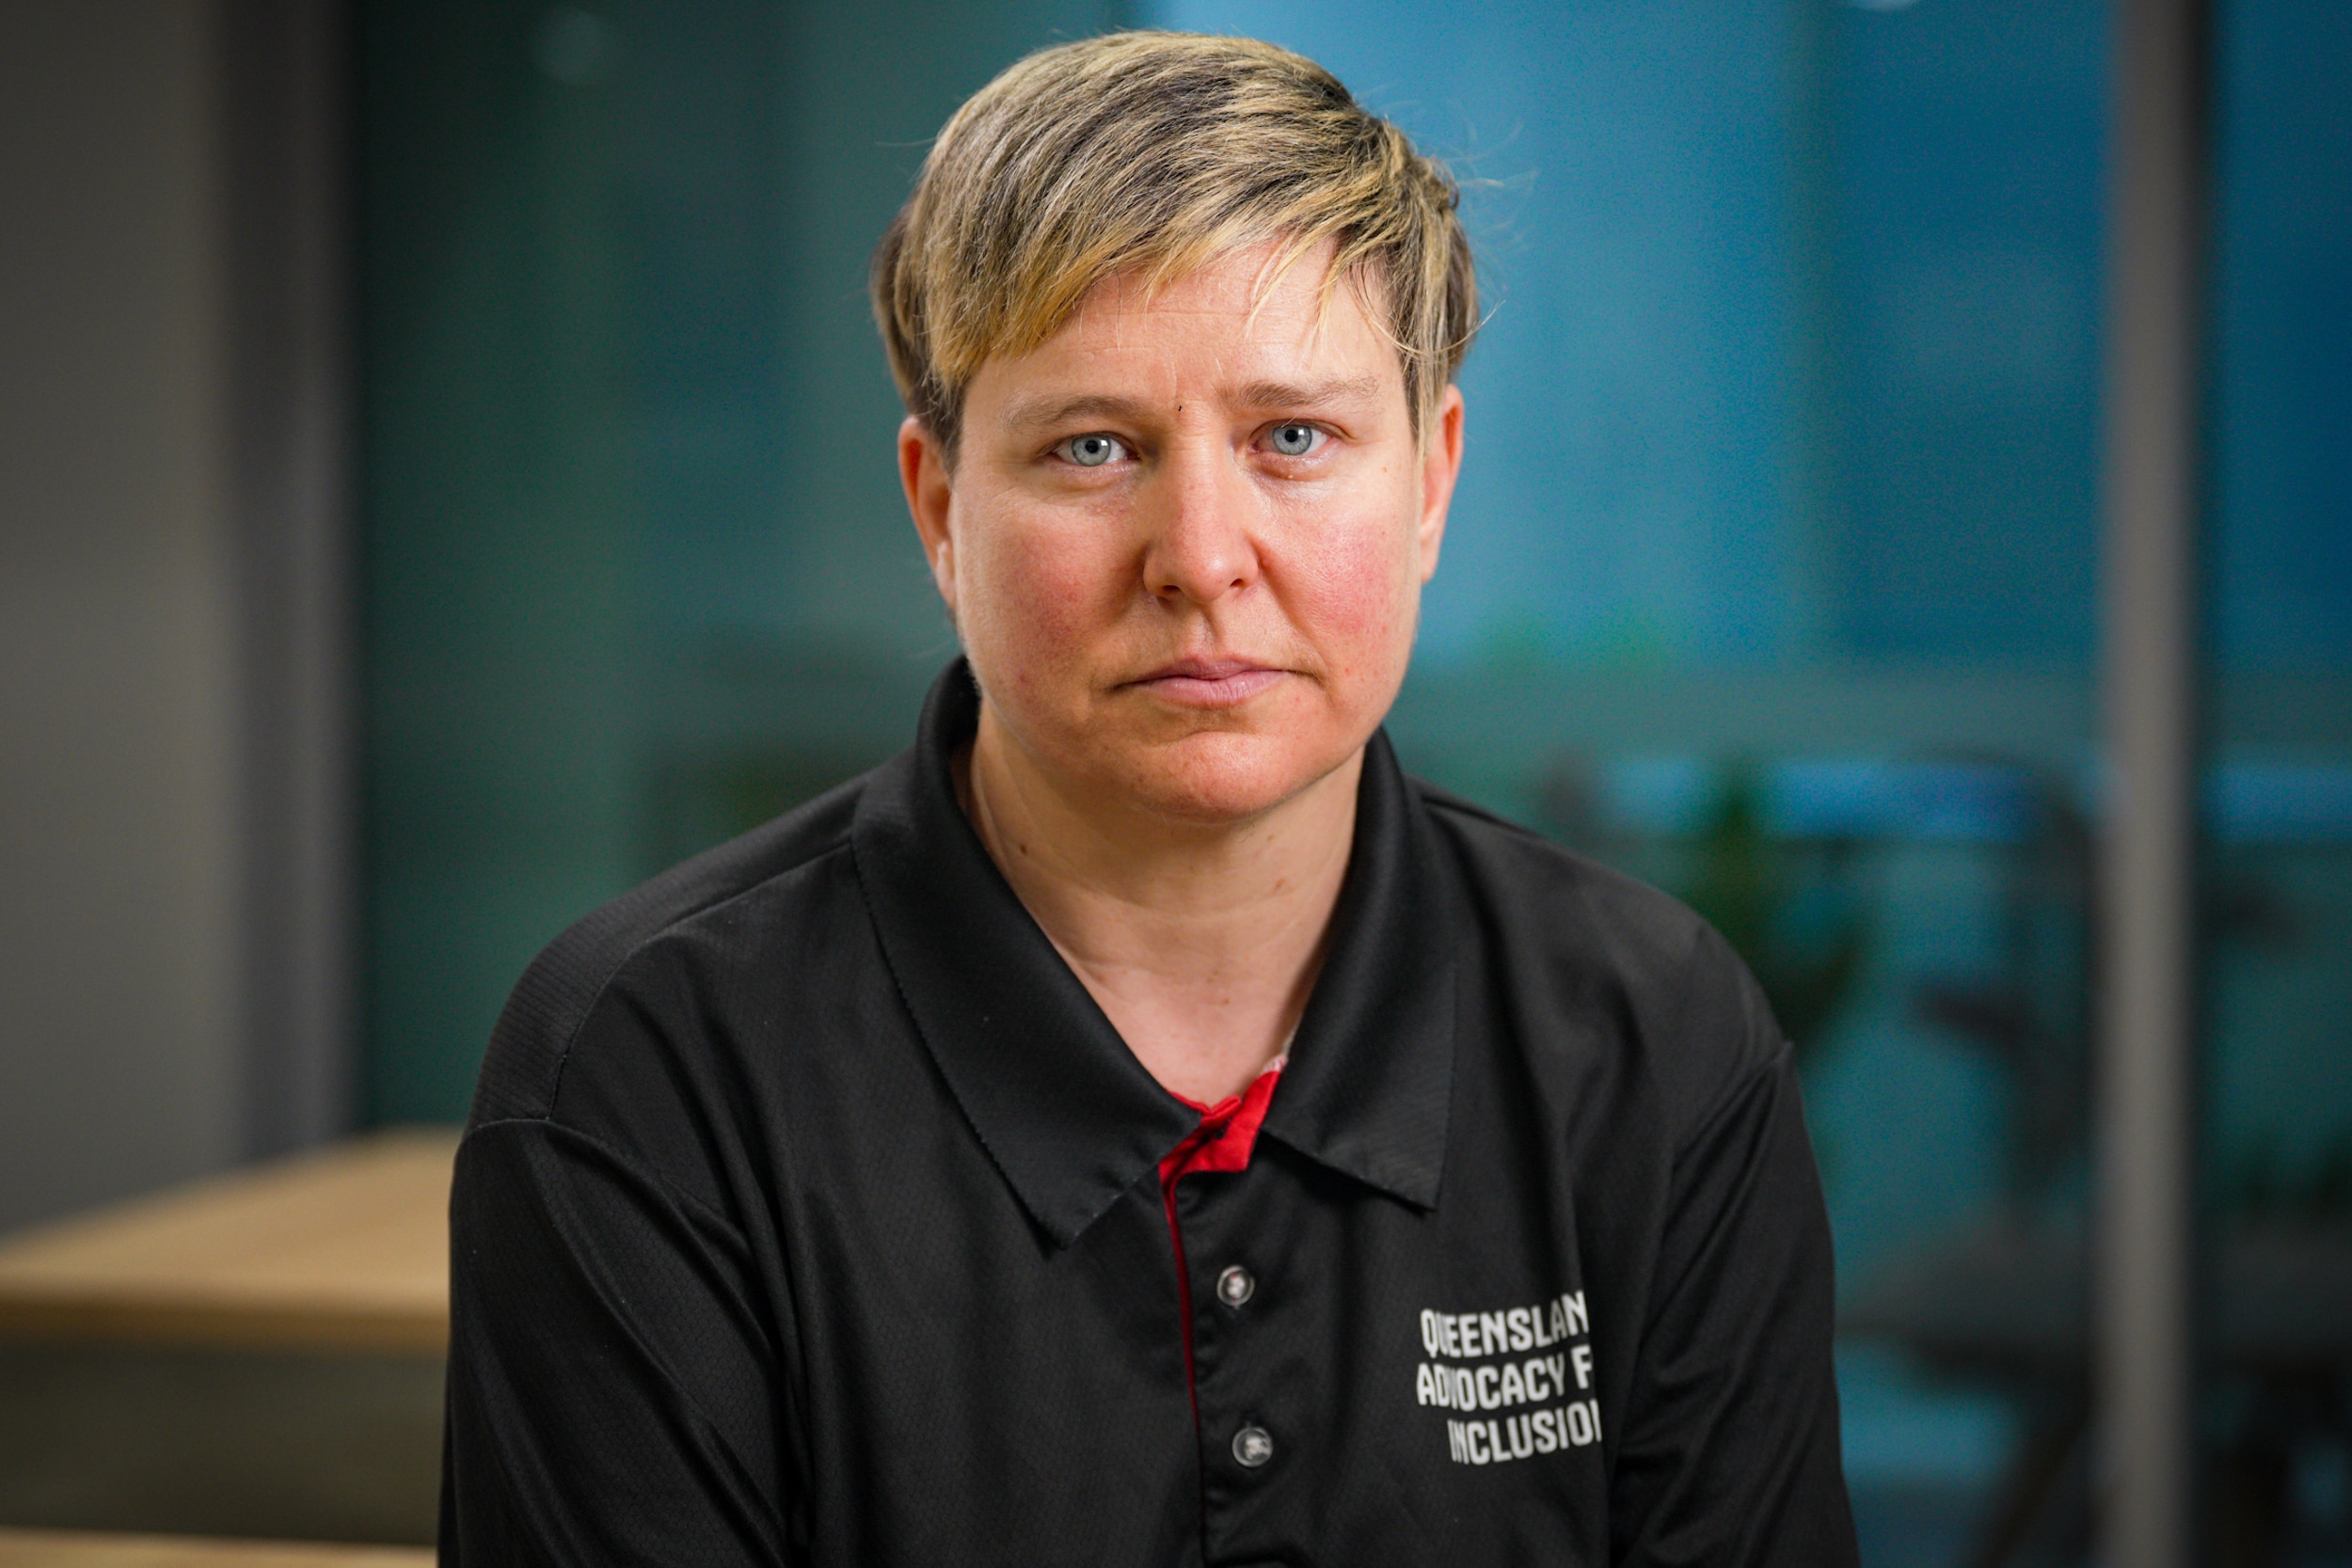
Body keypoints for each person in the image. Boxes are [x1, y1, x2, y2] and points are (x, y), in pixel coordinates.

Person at [440, 30, 1857, 1566]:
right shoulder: (653, 1077)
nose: (1200, 553)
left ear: (1434, 481)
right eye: (1094, 446)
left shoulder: (1651, 1046)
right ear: (939, 506)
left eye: (1293, 439)